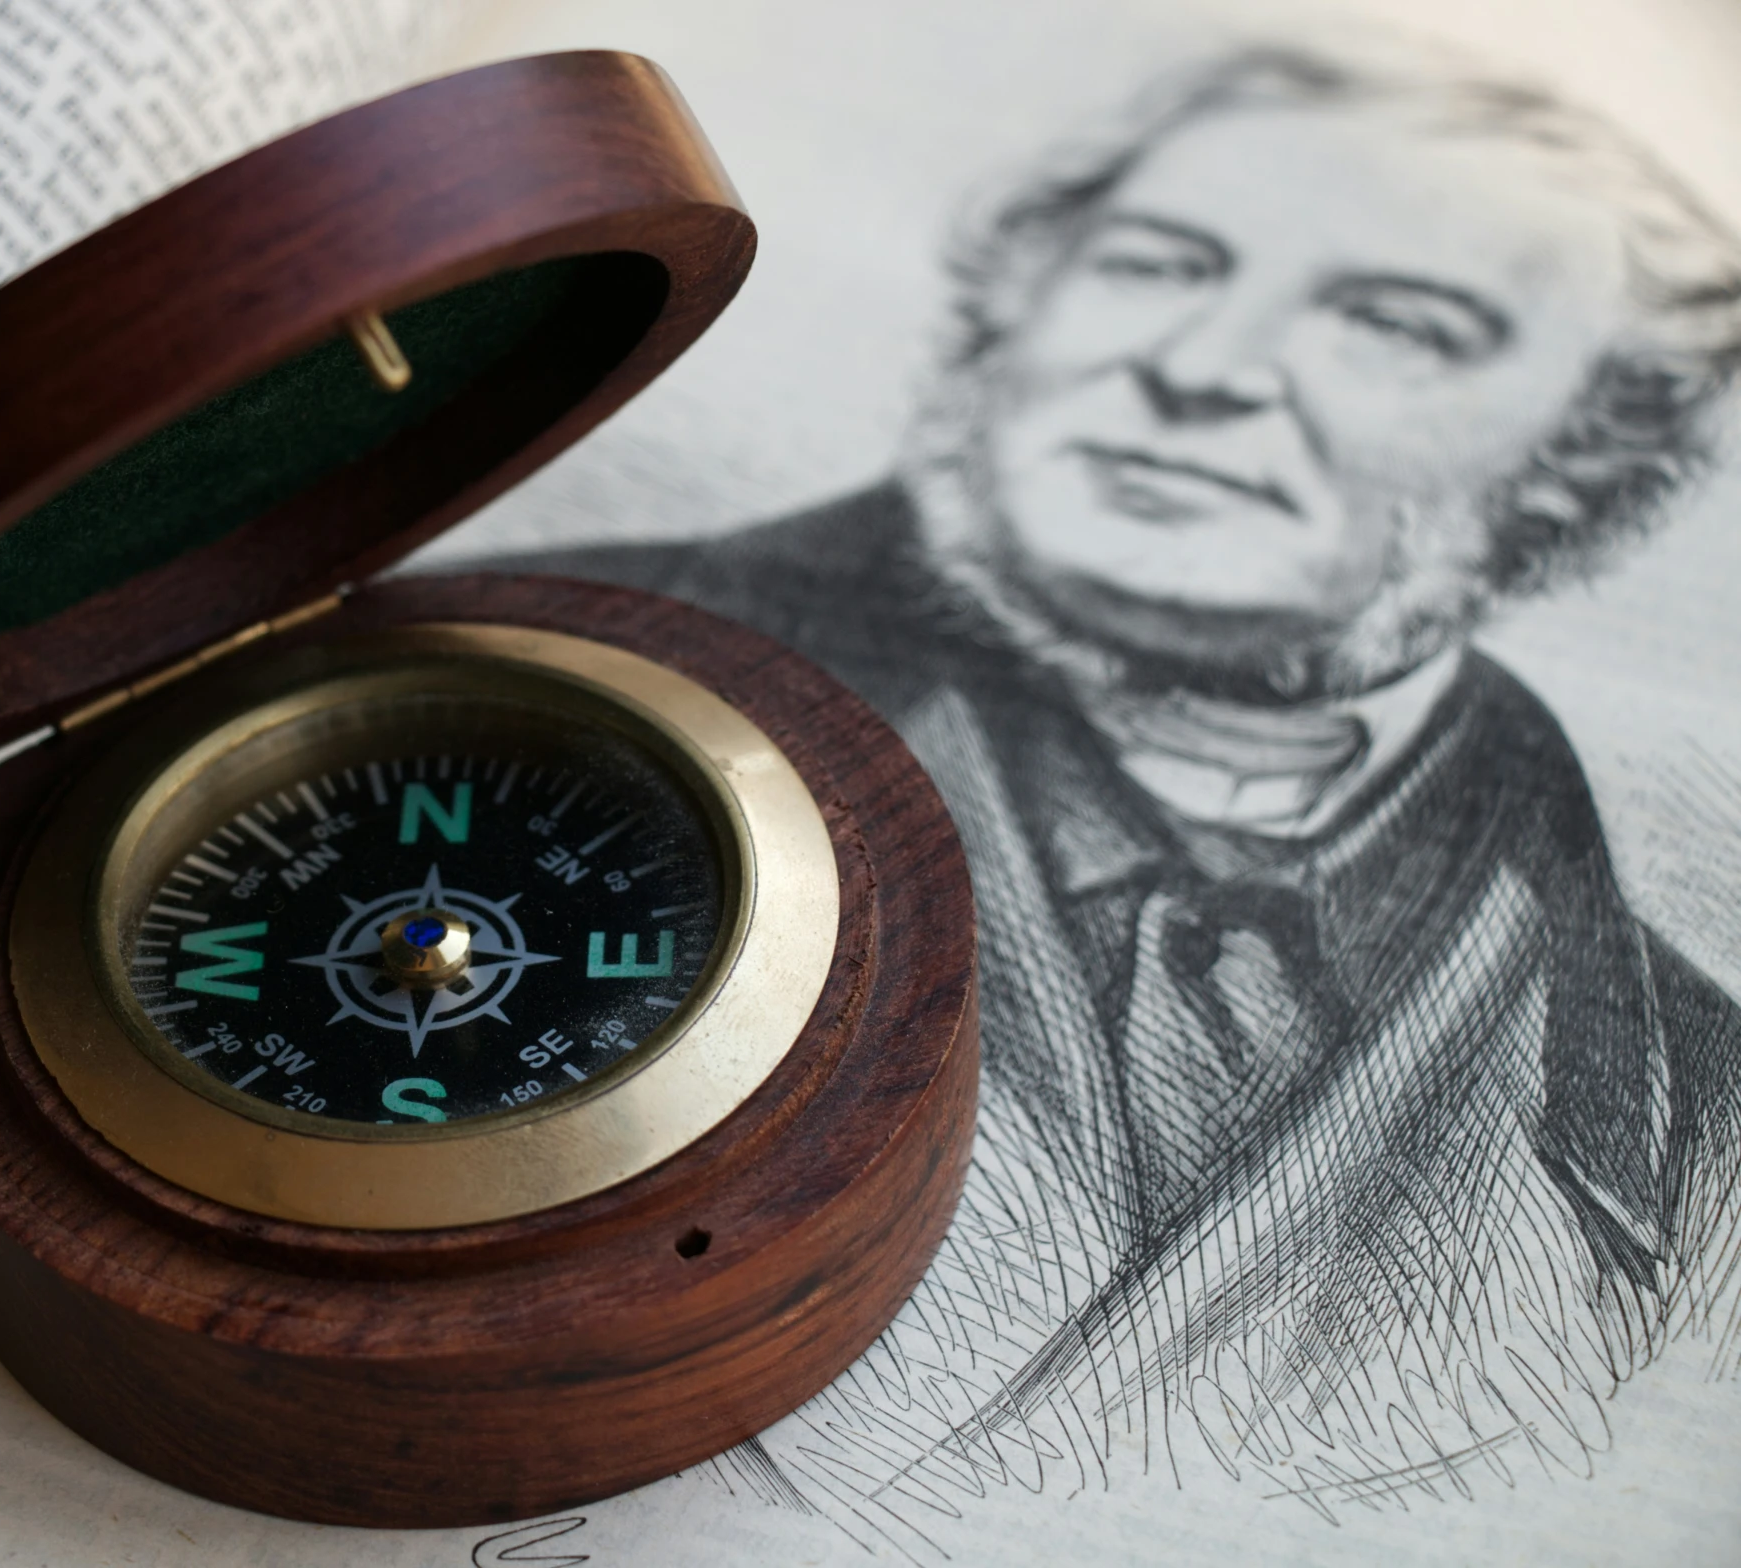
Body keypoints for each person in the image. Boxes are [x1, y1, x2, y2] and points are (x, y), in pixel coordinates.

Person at [508, 47, 1741, 1525]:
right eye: (1157, 264)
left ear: (1590, 455)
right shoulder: (500, 692)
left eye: (1395, 326)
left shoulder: (1699, 1112)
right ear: (1013, 307)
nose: (1204, 367)